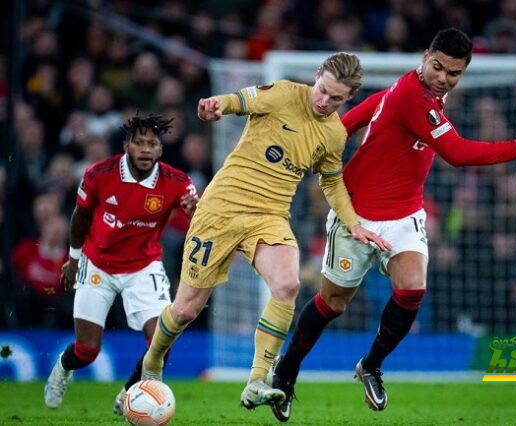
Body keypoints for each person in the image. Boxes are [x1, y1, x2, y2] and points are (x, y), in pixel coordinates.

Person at [269, 28, 516, 422]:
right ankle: (285, 374)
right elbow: (457, 153)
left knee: (412, 288)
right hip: (357, 215)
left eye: (453, 73)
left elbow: (368, 110)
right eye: (438, 67)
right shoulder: (413, 96)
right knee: (333, 303)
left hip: (405, 216)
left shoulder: (417, 92)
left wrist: (344, 128)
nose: (443, 77)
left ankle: (371, 366)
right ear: (425, 57)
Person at [140, 52, 389, 410]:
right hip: (221, 209)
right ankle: (152, 360)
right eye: (322, 90)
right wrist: (215, 106)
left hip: (270, 216)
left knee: (287, 285)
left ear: (349, 98)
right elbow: (239, 100)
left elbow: (332, 182)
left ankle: (257, 381)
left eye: (335, 98)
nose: (324, 101)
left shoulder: (334, 134)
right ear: (317, 76)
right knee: (185, 310)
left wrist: (354, 224)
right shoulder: (284, 93)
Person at [44, 113, 199, 415]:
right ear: (127, 144)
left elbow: (196, 212)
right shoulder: (99, 173)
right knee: (87, 352)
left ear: (160, 150)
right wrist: (73, 260)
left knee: (161, 346)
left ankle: (129, 393)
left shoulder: (177, 181)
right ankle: (63, 368)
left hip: (144, 267)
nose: (145, 149)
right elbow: (80, 217)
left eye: (151, 144)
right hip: (98, 263)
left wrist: (196, 211)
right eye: (139, 143)